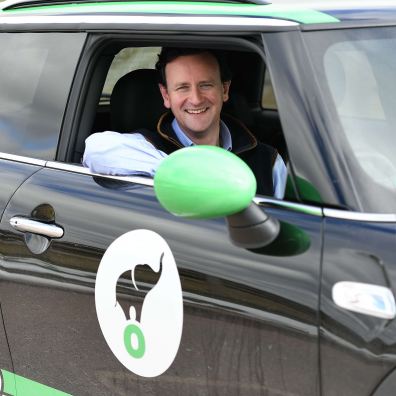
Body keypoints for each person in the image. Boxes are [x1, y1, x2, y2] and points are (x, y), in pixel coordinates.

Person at [83, 47, 287, 198]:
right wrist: (184, 173)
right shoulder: (145, 147)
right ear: (166, 95)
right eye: (182, 88)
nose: (196, 99)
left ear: (224, 90)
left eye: (205, 85)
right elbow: (96, 150)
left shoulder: (268, 161)